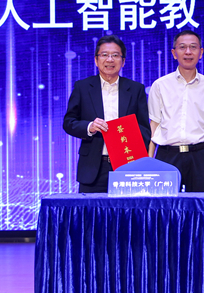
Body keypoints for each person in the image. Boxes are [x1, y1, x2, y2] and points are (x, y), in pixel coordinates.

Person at [63, 35, 150, 193]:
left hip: (127, 166)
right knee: (91, 209)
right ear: (96, 60)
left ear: (123, 61)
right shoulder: (83, 87)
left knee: (127, 210)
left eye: (115, 55)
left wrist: (129, 136)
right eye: (104, 55)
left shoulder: (136, 89)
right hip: (92, 168)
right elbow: (69, 122)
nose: (110, 59)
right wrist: (89, 127)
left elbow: (145, 129)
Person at [148, 30, 204, 192]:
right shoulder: (160, 85)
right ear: (174, 53)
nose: (188, 52)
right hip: (167, 155)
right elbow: (154, 124)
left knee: (198, 205)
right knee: (165, 205)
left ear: (200, 53)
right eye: (182, 47)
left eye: (193, 47)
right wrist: (149, 160)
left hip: (199, 156)